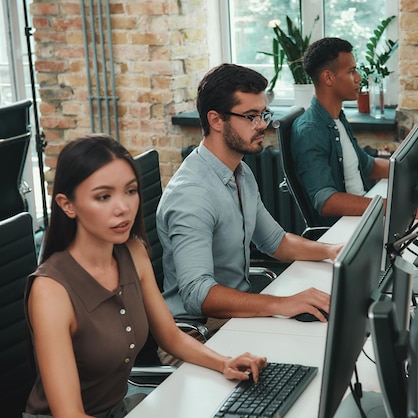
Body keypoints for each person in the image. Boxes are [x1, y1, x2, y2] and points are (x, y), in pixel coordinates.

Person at [24, 134, 267, 418]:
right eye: (104, 196)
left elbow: (171, 337)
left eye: (130, 191)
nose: (123, 207)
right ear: (67, 205)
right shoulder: (51, 290)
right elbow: (69, 414)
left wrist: (224, 362)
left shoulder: (133, 252)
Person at [156, 63, 343, 335]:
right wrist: (283, 304)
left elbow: (274, 242)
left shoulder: (240, 171)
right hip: (197, 332)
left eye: (263, 114)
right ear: (216, 120)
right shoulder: (191, 194)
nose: (263, 124)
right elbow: (198, 295)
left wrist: (331, 251)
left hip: (232, 318)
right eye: (251, 116)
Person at [291, 37, 390, 227]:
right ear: (328, 78)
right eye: (352, 71)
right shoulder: (309, 131)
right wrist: (389, 206)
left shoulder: (337, 118)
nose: (359, 78)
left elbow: (366, 165)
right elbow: (326, 201)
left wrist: (412, 169)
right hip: (346, 229)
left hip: (365, 217)